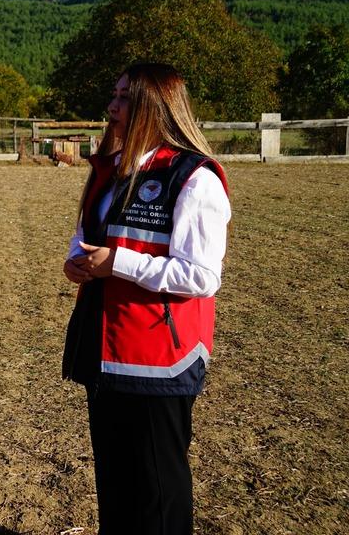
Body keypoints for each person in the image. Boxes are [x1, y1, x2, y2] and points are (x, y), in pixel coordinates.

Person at [60, 62, 231, 535]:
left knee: (158, 491)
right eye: (113, 95)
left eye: (124, 98)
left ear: (155, 108)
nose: (112, 107)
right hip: (104, 349)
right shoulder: (111, 168)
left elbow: (201, 276)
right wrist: (77, 262)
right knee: (115, 483)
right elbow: (87, 236)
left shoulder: (195, 179)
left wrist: (117, 263)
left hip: (159, 359)